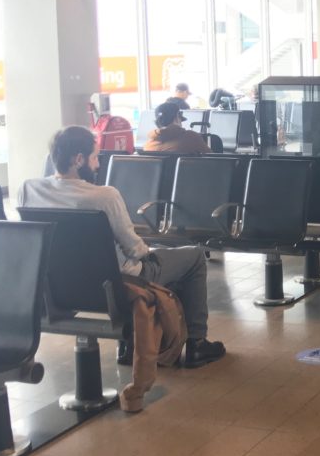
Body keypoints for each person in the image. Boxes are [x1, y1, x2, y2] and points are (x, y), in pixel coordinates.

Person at [18, 126, 226, 367]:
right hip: (114, 288)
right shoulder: (104, 196)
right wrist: (149, 252)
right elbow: (134, 249)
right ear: (78, 159)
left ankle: (133, 345)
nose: (97, 165)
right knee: (193, 258)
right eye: (95, 157)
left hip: (55, 291)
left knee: (167, 265)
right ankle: (197, 344)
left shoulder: (29, 189)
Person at [144, 102, 211, 154]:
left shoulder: (148, 146)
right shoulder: (191, 137)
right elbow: (212, 158)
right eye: (181, 120)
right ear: (176, 118)